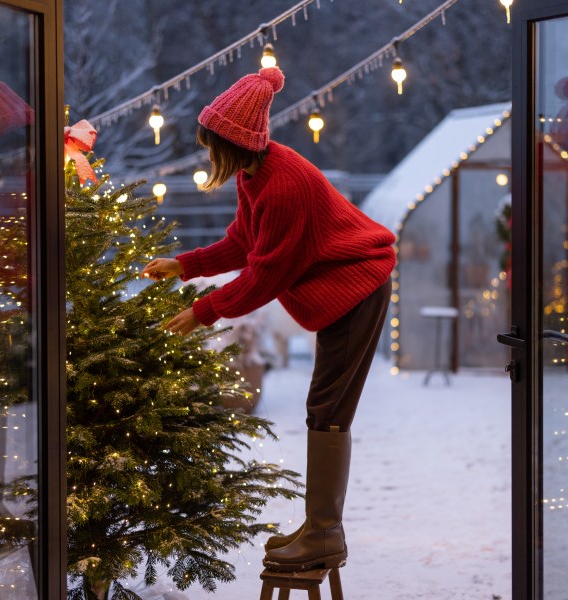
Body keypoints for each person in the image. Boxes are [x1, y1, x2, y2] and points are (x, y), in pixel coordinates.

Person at [142, 66, 395, 573]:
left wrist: (203, 311)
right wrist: (186, 266)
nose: (208, 154)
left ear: (234, 142)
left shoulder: (284, 185)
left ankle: (325, 531)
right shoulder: (254, 175)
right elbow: (243, 242)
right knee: (324, 405)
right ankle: (320, 525)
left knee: (328, 407)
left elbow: (265, 278)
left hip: (356, 287)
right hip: (337, 291)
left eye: (212, 144)